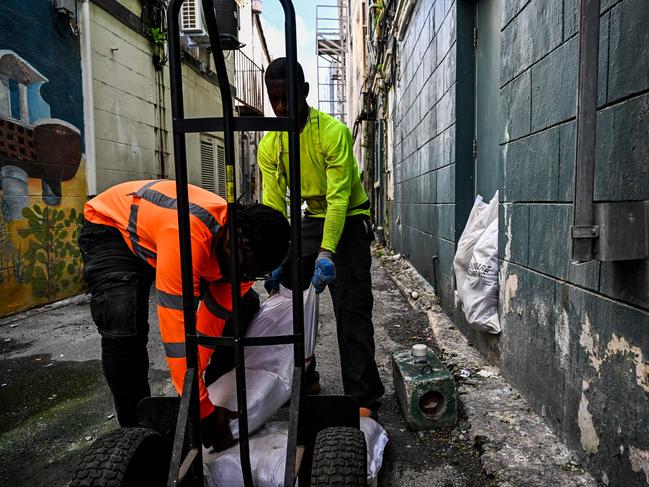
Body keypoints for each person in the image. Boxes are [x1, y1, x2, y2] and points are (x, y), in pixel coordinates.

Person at [78, 179, 290, 451]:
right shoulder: (188, 237)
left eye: (253, 275)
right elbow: (179, 336)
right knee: (124, 326)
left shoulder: (243, 255)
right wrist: (200, 410)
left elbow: (208, 330)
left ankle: (217, 393)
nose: (246, 279)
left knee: (244, 305)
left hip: (161, 234)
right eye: (247, 271)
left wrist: (201, 397)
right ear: (236, 243)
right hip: (112, 228)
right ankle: (136, 436)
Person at [257, 58, 385, 417]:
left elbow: (340, 198)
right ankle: (305, 378)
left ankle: (363, 398)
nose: (280, 107)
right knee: (286, 295)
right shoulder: (270, 145)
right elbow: (272, 203)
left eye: (287, 99)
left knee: (351, 307)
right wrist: (275, 256)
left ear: (306, 93)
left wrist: (327, 252)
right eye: (274, 99)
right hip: (312, 217)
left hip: (350, 216)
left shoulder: (332, 132)